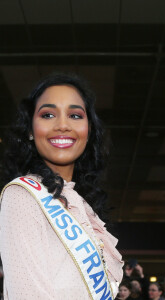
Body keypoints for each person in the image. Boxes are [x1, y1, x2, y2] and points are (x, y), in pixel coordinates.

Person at [0, 73, 124, 299]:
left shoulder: (82, 205)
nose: (63, 125)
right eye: (48, 114)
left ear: (89, 131)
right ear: (30, 129)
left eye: (75, 115)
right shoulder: (22, 195)